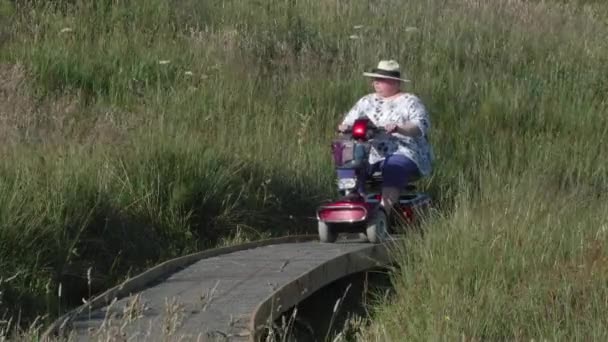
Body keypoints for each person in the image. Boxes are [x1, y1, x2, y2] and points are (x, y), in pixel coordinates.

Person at [338, 60, 433, 219]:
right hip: (370, 150)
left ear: (395, 82)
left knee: (394, 165)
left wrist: (400, 128)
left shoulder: (410, 101)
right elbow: (347, 123)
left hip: (402, 149)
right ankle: (352, 200)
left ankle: (383, 211)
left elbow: (419, 126)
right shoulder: (366, 101)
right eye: (375, 79)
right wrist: (345, 128)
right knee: (346, 155)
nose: (376, 83)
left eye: (381, 80)